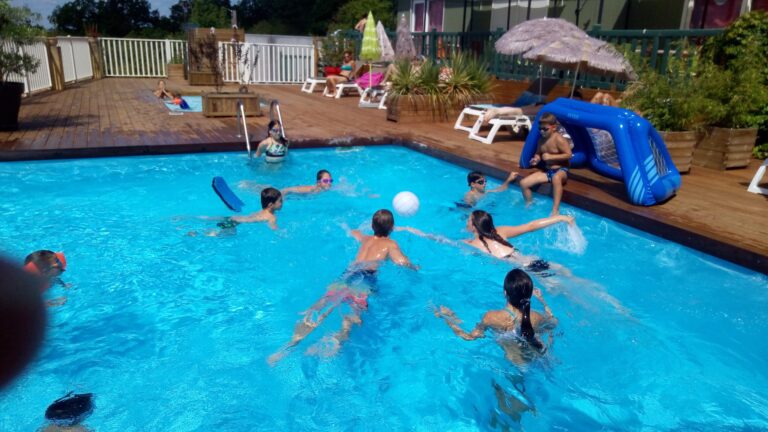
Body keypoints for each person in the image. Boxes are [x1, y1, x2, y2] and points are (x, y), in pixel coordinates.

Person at [268, 209, 417, 363]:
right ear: (392, 227)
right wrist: (415, 267)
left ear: (372, 226)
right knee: (354, 316)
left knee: (322, 306)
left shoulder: (366, 239)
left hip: (348, 274)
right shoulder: (391, 244)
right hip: (364, 279)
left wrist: (349, 227)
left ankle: (288, 347)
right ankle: (338, 338)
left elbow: (354, 232)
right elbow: (401, 262)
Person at [435, 269, 556, 365]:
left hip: (511, 365)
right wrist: (543, 301)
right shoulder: (537, 317)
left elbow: (470, 337)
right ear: (529, 295)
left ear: (505, 293)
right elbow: (553, 322)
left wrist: (448, 317)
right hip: (536, 360)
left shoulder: (492, 317)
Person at [519, 113, 572, 216]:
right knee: (523, 183)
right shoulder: (541, 140)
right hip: (548, 172)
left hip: (561, 171)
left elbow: (569, 155)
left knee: (556, 178)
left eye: (545, 129)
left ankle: (555, 210)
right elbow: (538, 153)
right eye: (540, 129)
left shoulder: (559, 139)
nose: (542, 131)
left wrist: (551, 157)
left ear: (554, 128)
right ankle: (529, 205)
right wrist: (536, 159)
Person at [206, 187, 283, 235]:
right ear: (270, 205)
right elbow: (273, 227)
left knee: (212, 223)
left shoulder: (261, 212)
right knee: (222, 235)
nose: (282, 203)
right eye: (280, 201)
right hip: (235, 223)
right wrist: (281, 233)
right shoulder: (271, 217)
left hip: (234, 219)